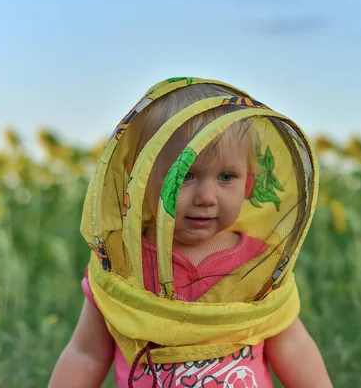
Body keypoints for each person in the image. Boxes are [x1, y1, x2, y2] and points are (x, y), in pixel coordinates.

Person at [48, 77, 333, 387]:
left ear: (248, 184)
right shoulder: (123, 263)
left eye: (226, 176)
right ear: (144, 184)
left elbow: (293, 346)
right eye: (185, 176)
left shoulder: (259, 265)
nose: (206, 197)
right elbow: (86, 353)